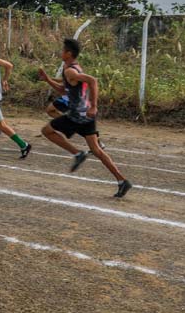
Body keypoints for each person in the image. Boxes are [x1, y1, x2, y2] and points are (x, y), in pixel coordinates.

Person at [39, 38, 132, 198]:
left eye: (63, 50)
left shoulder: (70, 71)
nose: (61, 53)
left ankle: (77, 153)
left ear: (68, 54)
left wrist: (94, 105)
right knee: (96, 150)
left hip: (77, 116)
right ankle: (122, 181)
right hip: (87, 116)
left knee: (47, 131)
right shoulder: (73, 68)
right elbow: (63, 91)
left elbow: (92, 80)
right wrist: (48, 80)